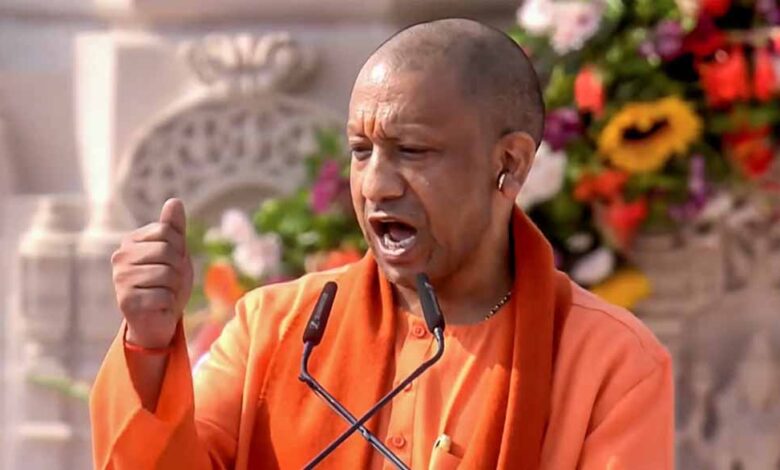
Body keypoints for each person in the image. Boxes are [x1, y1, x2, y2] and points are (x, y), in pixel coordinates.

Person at [90, 18, 673, 470]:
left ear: (510, 164)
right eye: (361, 151)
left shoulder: (610, 362)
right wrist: (149, 345)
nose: (374, 185)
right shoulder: (275, 328)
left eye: (412, 151)